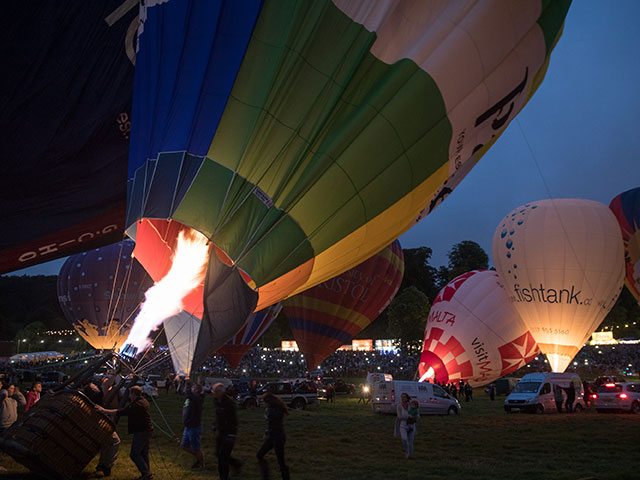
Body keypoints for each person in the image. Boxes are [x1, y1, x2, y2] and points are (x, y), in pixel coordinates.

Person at [96, 386, 153, 480]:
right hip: (146, 430)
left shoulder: (137, 405)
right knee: (143, 453)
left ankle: (146, 474)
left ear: (133, 394)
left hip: (142, 431)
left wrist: (104, 411)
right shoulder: (143, 401)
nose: (129, 396)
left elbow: (121, 412)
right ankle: (146, 473)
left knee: (134, 454)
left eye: (130, 394)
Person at [257, 392, 290, 480]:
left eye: (263, 402)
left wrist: (267, 432)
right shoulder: (272, 409)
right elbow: (271, 424)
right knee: (260, 454)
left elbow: (272, 423)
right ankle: (266, 476)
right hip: (274, 436)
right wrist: (267, 433)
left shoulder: (272, 410)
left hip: (277, 437)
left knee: (280, 461)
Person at [212, 383, 242, 480]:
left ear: (220, 392)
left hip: (229, 432)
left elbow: (233, 420)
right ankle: (236, 463)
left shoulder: (229, 403)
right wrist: (215, 427)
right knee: (218, 453)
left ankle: (224, 477)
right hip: (220, 431)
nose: (213, 394)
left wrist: (230, 433)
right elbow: (217, 416)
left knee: (223, 457)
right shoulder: (216, 401)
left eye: (215, 392)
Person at [181, 381, 205, 470]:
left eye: (193, 389)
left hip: (194, 427)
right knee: (184, 446)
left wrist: (187, 382)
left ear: (196, 390)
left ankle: (201, 465)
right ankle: (198, 458)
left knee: (196, 448)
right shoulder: (191, 399)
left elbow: (188, 394)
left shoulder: (197, 399)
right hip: (188, 427)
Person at [394, 393, 417, 459]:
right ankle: (407, 452)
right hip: (403, 425)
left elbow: (416, 413)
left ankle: (410, 455)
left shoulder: (411, 405)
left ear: (407, 398)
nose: (403, 398)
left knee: (410, 441)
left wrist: (414, 417)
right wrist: (409, 417)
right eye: (402, 397)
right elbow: (399, 416)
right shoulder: (399, 406)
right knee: (404, 439)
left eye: (404, 397)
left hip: (411, 425)